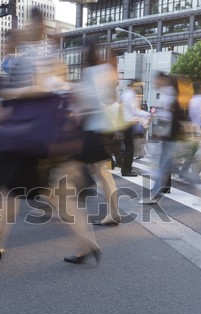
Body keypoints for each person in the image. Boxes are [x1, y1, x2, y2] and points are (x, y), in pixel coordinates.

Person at [0, 8, 100, 266]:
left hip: (23, 139)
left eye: (29, 23)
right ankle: (86, 242)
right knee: (45, 195)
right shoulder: (38, 55)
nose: (24, 28)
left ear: (36, 25)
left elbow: (40, 92)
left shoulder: (38, 55)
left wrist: (13, 94)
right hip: (31, 138)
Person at [73, 43, 122, 227]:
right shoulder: (109, 70)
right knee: (104, 172)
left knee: (76, 166)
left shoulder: (89, 73)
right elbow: (111, 99)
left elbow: (89, 101)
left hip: (93, 128)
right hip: (106, 128)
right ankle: (113, 212)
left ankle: (70, 202)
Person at [139, 72, 178, 204]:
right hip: (169, 136)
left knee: (164, 166)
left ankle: (154, 195)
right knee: (166, 166)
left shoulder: (169, 94)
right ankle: (156, 193)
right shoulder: (168, 93)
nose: (155, 83)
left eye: (156, 80)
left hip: (170, 136)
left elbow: (168, 117)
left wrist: (160, 131)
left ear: (162, 80)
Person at [120, 80, 150, 176]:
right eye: (139, 85)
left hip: (124, 123)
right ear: (134, 85)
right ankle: (126, 170)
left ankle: (125, 168)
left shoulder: (125, 94)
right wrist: (148, 114)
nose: (139, 88)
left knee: (128, 148)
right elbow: (135, 111)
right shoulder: (130, 96)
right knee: (129, 148)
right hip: (128, 124)